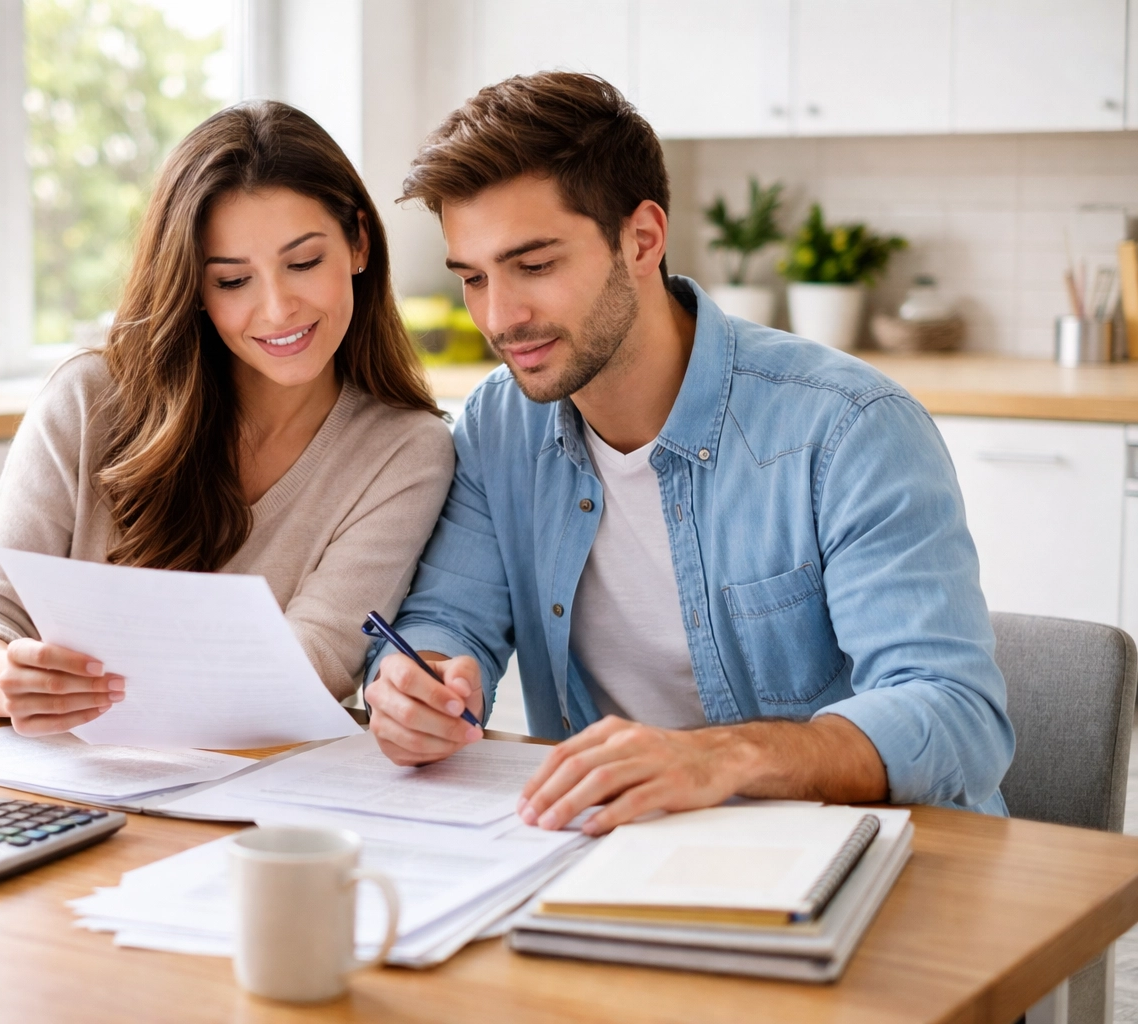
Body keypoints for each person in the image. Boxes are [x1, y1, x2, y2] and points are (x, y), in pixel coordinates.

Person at [364, 71, 1014, 835]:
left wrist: (721, 758)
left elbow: (953, 712)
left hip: (855, 855)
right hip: (612, 852)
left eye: (535, 265)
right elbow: (449, 619)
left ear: (642, 238)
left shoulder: (848, 427)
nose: (499, 317)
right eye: (473, 277)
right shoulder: (497, 427)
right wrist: (416, 685)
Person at [0, 100, 454, 735]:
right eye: (233, 281)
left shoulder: (405, 451)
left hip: (256, 801)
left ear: (359, 244)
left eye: (305, 262)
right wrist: (9, 681)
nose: (277, 308)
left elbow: (309, 670)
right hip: (65, 789)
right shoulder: (89, 401)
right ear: (195, 291)